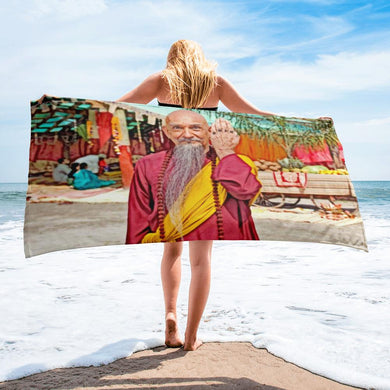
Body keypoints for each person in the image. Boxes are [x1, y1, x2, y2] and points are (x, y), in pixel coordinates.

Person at [117, 39, 276, 351]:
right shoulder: (215, 83)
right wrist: (313, 122)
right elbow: (256, 115)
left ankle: (170, 315)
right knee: (201, 260)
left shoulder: (160, 81)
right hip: (206, 171)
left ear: (172, 58)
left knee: (171, 252)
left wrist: (52, 104)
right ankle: (191, 337)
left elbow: (112, 107)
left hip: (168, 170)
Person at [126, 110, 262, 244]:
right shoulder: (149, 164)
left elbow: (245, 190)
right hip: (173, 250)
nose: (187, 135)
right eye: (177, 128)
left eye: (195, 128)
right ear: (167, 132)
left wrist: (224, 150)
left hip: (227, 245)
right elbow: (138, 216)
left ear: (208, 131)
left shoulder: (233, 161)